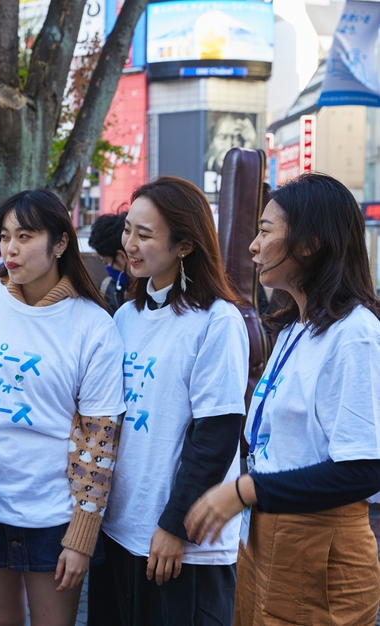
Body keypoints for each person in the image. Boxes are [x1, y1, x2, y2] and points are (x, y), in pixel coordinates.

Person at [185, 172, 380, 626]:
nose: (253, 246)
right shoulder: (295, 326)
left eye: (266, 231)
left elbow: (363, 467)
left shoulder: (355, 335)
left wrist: (245, 489)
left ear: (309, 243)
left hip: (319, 544)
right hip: (266, 534)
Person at [0, 189, 126, 626]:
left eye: (25, 236)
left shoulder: (93, 324)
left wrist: (81, 536)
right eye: (4, 236)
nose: (11, 249)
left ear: (60, 242)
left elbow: (100, 440)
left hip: (53, 515)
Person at [98, 177, 249, 625]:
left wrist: (173, 524)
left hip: (183, 542)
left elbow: (217, 435)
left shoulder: (217, 320)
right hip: (121, 528)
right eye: (128, 230)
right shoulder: (126, 315)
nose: (130, 244)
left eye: (145, 235)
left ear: (185, 245)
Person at [88, 211, 130, 315]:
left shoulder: (154, 291)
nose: (107, 267)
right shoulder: (106, 288)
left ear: (122, 256)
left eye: (106, 261)